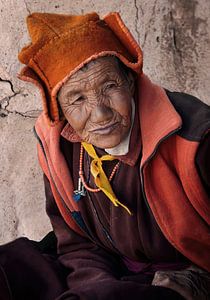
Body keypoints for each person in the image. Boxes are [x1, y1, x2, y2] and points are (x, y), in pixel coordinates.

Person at [0, 11, 209, 300]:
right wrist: (93, 285)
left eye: (109, 86)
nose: (100, 114)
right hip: (103, 267)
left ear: (131, 81)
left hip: (183, 280)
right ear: (57, 109)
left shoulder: (196, 138)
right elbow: (76, 243)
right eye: (77, 99)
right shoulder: (58, 146)